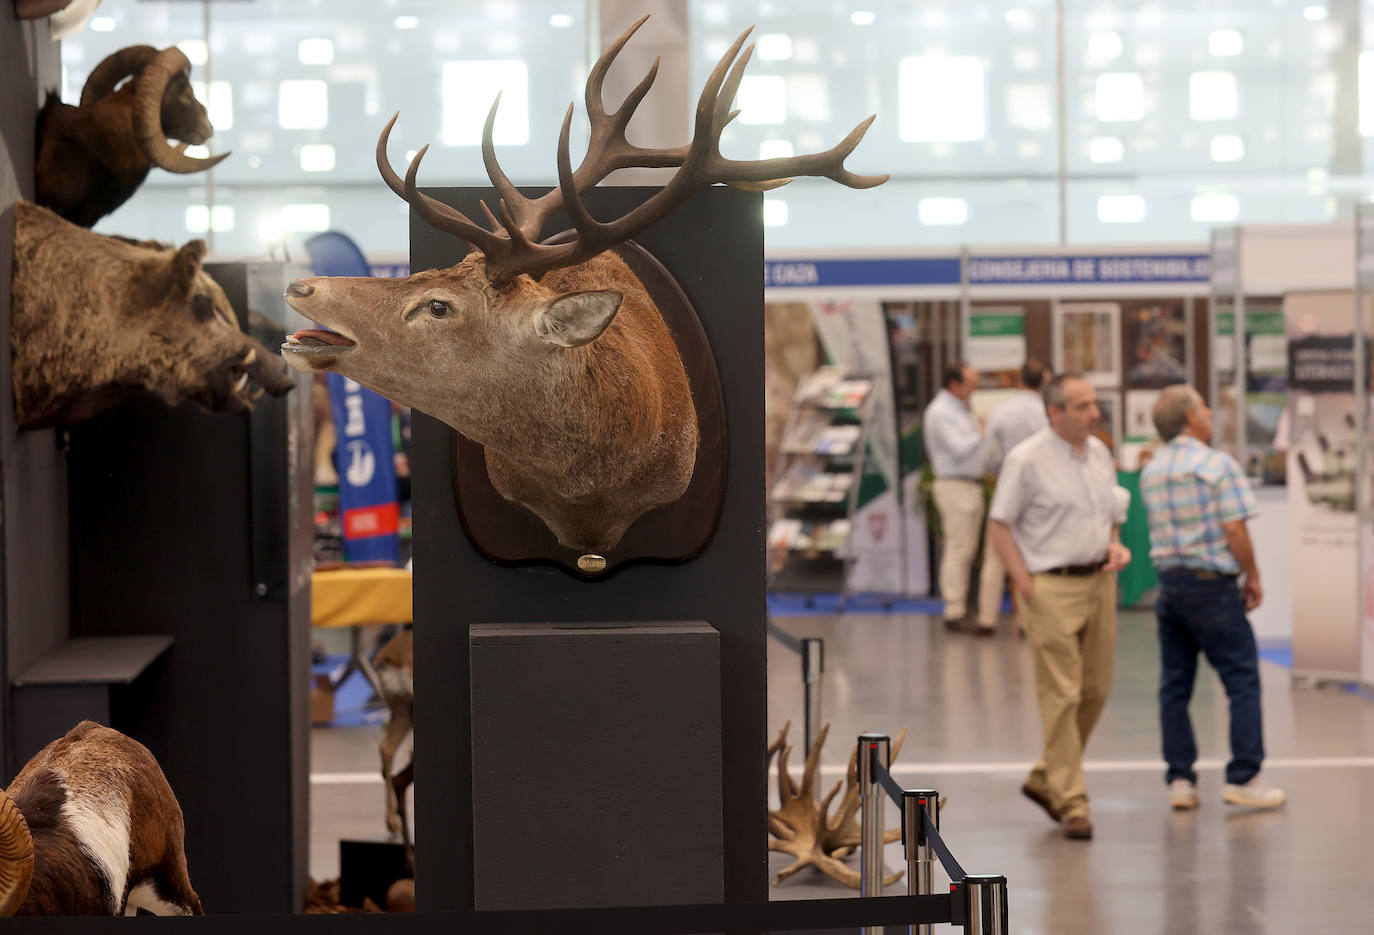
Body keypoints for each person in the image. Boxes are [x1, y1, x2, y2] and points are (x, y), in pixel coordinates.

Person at [987, 372, 1131, 840]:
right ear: (1055, 412)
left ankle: (1044, 776)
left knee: (1096, 690)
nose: (1095, 413)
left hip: (1099, 582)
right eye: (1084, 406)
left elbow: (1109, 514)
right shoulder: (1025, 460)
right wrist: (1024, 583)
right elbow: (1000, 525)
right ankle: (1071, 801)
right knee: (1061, 694)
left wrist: (1115, 544)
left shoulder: (1100, 454)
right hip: (1050, 587)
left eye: (1094, 405)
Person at [1139, 385, 1286, 811]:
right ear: (1190, 418)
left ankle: (1181, 780)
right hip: (1213, 587)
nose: (1210, 414)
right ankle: (1245, 776)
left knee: (1174, 687)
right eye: (1205, 408)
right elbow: (1235, 529)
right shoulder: (1216, 464)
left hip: (1170, 587)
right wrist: (1253, 574)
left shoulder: (1153, 469)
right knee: (1241, 681)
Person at [972, 359, 1050, 635]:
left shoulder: (1000, 412)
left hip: (1006, 485)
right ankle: (1025, 622)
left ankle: (986, 618)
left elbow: (989, 456)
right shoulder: (1047, 412)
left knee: (995, 555)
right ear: (1045, 381)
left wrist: (999, 474)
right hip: (1040, 490)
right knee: (1032, 554)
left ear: (1019, 380)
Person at [922, 361, 984, 627]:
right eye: (971, 384)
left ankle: (963, 604)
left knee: (967, 549)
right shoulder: (940, 412)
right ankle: (954, 609)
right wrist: (984, 429)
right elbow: (959, 448)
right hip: (953, 485)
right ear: (954, 384)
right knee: (958, 548)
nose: (975, 389)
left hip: (970, 484)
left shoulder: (961, 409)